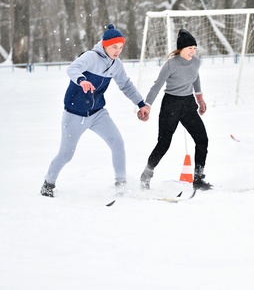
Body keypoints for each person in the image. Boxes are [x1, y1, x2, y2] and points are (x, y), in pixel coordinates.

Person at [40, 24, 150, 197]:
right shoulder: (91, 57)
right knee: (66, 154)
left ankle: (121, 184)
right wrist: (82, 80)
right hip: (75, 114)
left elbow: (126, 85)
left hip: (98, 113)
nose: (117, 51)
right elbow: (72, 68)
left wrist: (141, 103)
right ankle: (48, 183)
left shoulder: (116, 64)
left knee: (117, 143)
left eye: (120, 47)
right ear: (105, 44)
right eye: (114, 47)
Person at [139, 29, 211, 191]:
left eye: (194, 48)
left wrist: (200, 99)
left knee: (202, 140)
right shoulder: (171, 64)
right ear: (181, 49)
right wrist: (147, 105)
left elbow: (196, 78)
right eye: (189, 48)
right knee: (164, 143)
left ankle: (198, 178)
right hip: (171, 104)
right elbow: (157, 86)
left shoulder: (196, 62)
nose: (192, 51)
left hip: (188, 104)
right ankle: (146, 174)